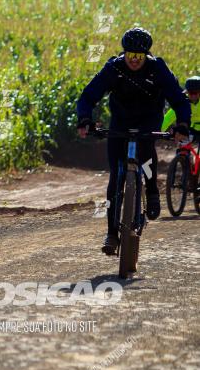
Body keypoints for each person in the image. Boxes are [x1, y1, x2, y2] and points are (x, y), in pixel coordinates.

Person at [76, 27, 190, 255]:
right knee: (114, 177)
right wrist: (85, 119)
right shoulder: (114, 67)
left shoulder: (158, 68)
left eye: (139, 56)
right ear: (124, 53)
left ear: (146, 55)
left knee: (146, 152)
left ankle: (151, 190)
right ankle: (111, 233)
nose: (134, 60)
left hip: (149, 120)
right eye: (130, 55)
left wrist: (182, 125)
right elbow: (88, 96)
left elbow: (179, 100)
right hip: (121, 121)